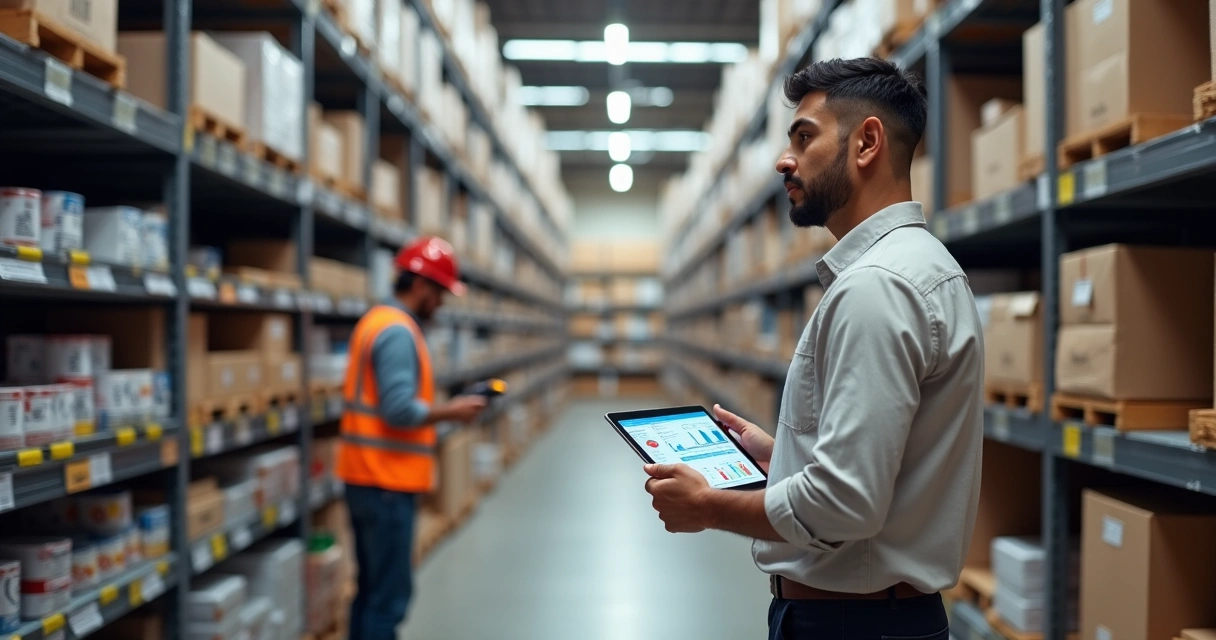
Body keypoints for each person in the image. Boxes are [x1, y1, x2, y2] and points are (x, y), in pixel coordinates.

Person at [644, 57, 984, 639]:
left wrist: (710, 507)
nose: (785, 160)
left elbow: (844, 505)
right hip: (874, 616)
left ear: (867, 142)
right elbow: (883, 472)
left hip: (852, 623)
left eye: (804, 137)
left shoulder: (878, 286)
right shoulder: (921, 269)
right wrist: (782, 459)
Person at [337, 236, 488, 640]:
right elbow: (398, 409)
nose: (441, 303)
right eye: (440, 293)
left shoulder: (375, 321)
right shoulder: (398, 332)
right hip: (386, 481)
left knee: (369, 593)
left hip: (364, 478)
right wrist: (453, 410)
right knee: (387, 602)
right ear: (420, 285)